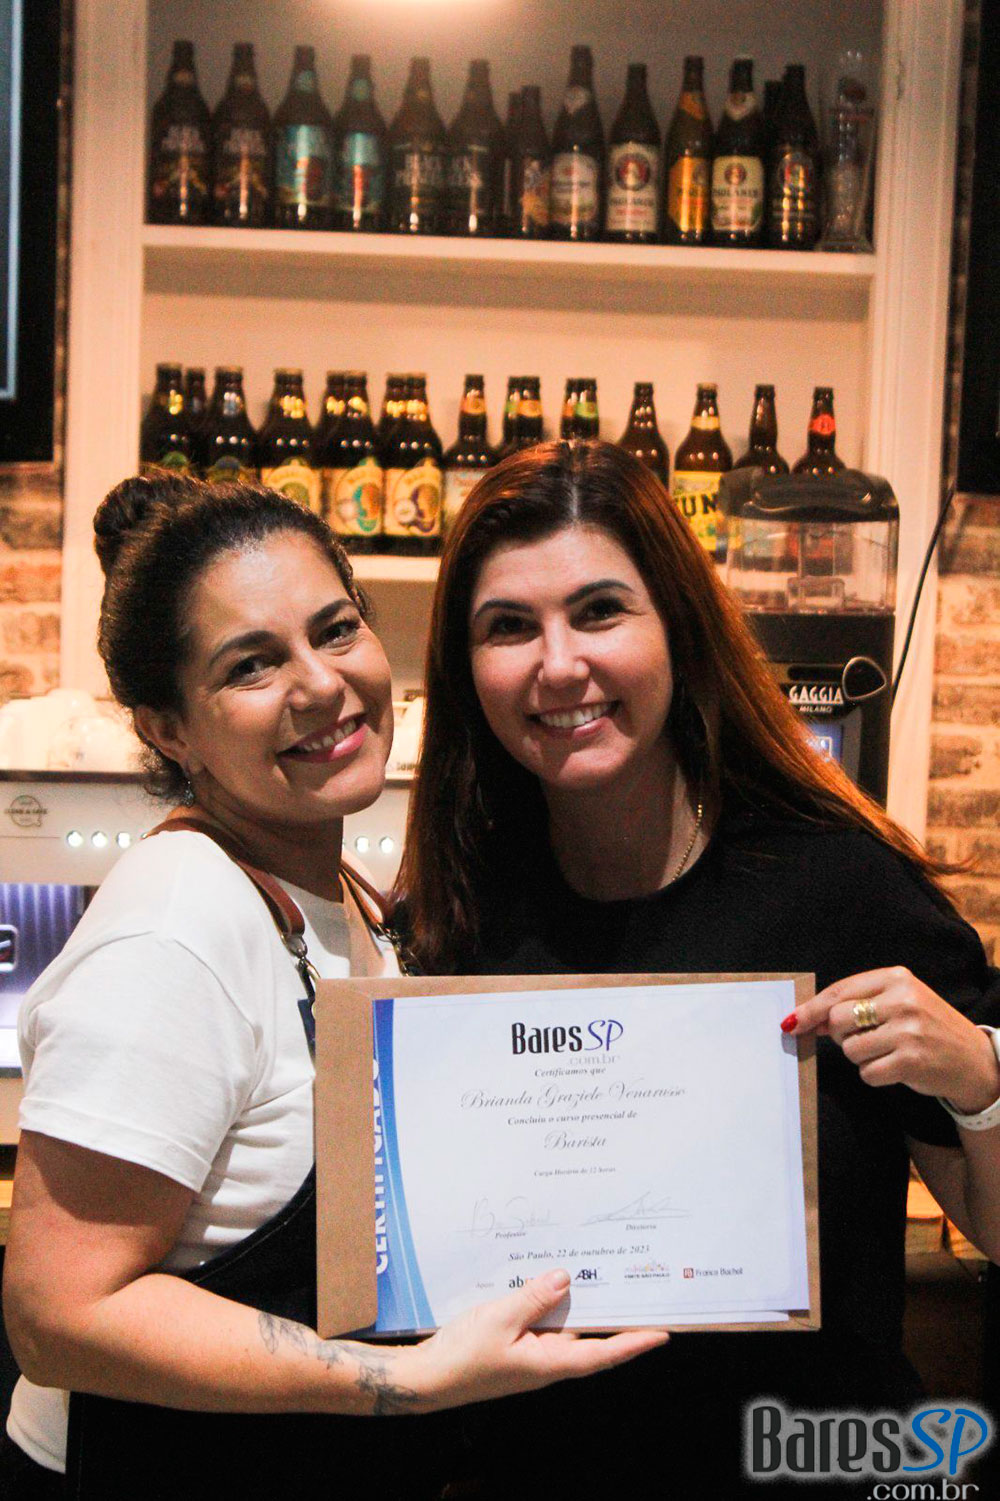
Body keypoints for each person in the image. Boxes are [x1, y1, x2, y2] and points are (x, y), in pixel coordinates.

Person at [0, 473, 666, 1500]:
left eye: (335, 629)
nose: (321, 683)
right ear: (168, 728)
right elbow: (57, 1315)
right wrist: (405, 1379)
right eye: (251, 664)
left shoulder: (341, 890)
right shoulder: (177, 926)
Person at [394, 440, 1000, 1498]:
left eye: (599, 611)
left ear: (677, 624)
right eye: (508, 626)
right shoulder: (453, 915)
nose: (557, 663)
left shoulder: (842, 887)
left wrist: (980, 1082)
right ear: (464, 667)